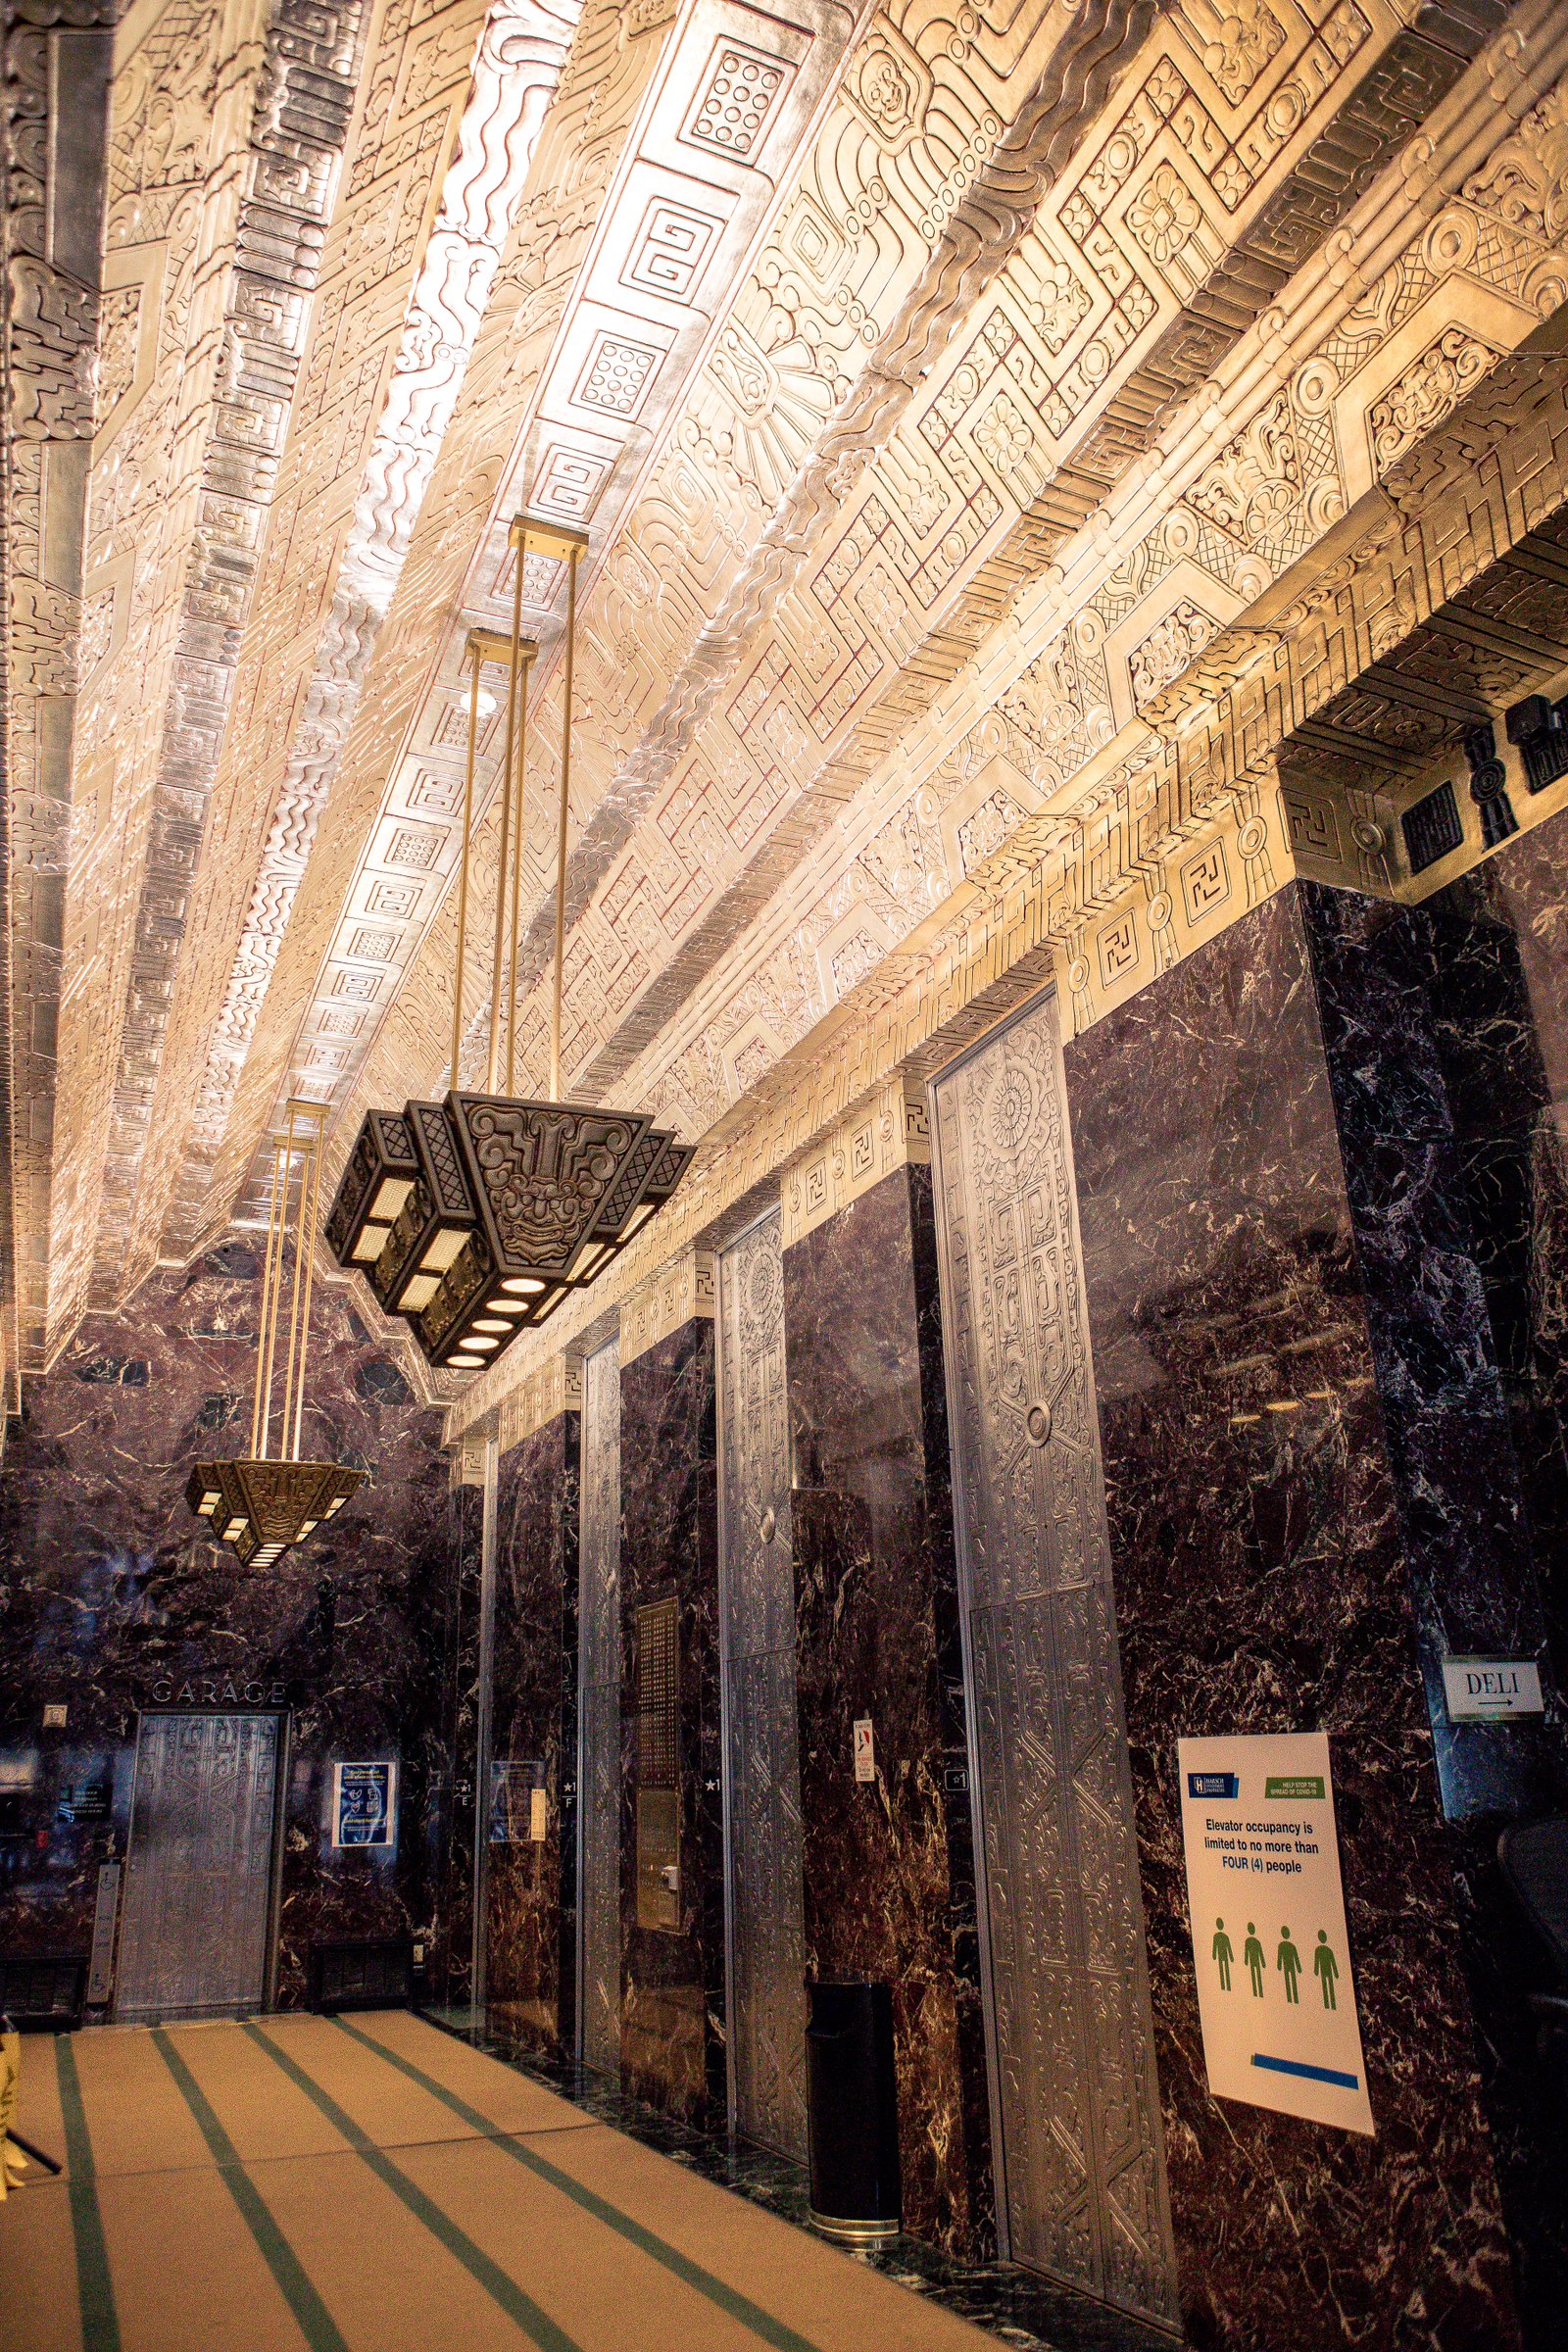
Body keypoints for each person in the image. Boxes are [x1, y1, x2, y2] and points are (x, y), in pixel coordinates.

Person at [1313, 1928, 1339, 2011]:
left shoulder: (1325, 1950)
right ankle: (1329, 2003)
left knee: (1329, 1985)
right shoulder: (1319, 1950)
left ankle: (1330, 2003)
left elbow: (1333, 1962)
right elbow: (1317, 1961)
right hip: (1324, 1971)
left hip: (1326, 1971)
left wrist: (1335, 1972)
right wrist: (1316, 1970)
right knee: (1326, 1985)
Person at [1277, 1925, 1302, 2004]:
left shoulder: (1283, 1945)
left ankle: (1292, 1998)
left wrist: (1279, 1965)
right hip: (1289, 1966)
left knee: (1289, 1980)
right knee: (1290, 1980)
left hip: (1288, 1966)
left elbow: (1295, 1957)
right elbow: (1280, 1956)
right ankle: (1293, 1998)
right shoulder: (1288, 1946)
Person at [1211, 1917, 1234, 1990]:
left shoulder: (1222, 1936)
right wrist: (1214, 1955)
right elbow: (1215, 1946)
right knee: (1222, 1968)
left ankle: (1226, 1985)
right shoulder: (1218, 1936)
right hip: (1221, 1955)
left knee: (1225, 1969)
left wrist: (1231, 1957)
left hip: (1223, 1955)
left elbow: (1228, 1947)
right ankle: (1225, 1986)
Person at [1244, 1922, 1265, 1995]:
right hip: (1254, 1961)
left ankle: (1258, 1992)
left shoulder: (1252, 1941)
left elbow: (1260, 1953)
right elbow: (1247, 1952)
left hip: (1255, 1961)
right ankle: (1257, 1992)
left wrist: (1263, 1963)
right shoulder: (1252, 1941)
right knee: (1255, 1974)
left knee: (1256, 1974)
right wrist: (1246, 1960)